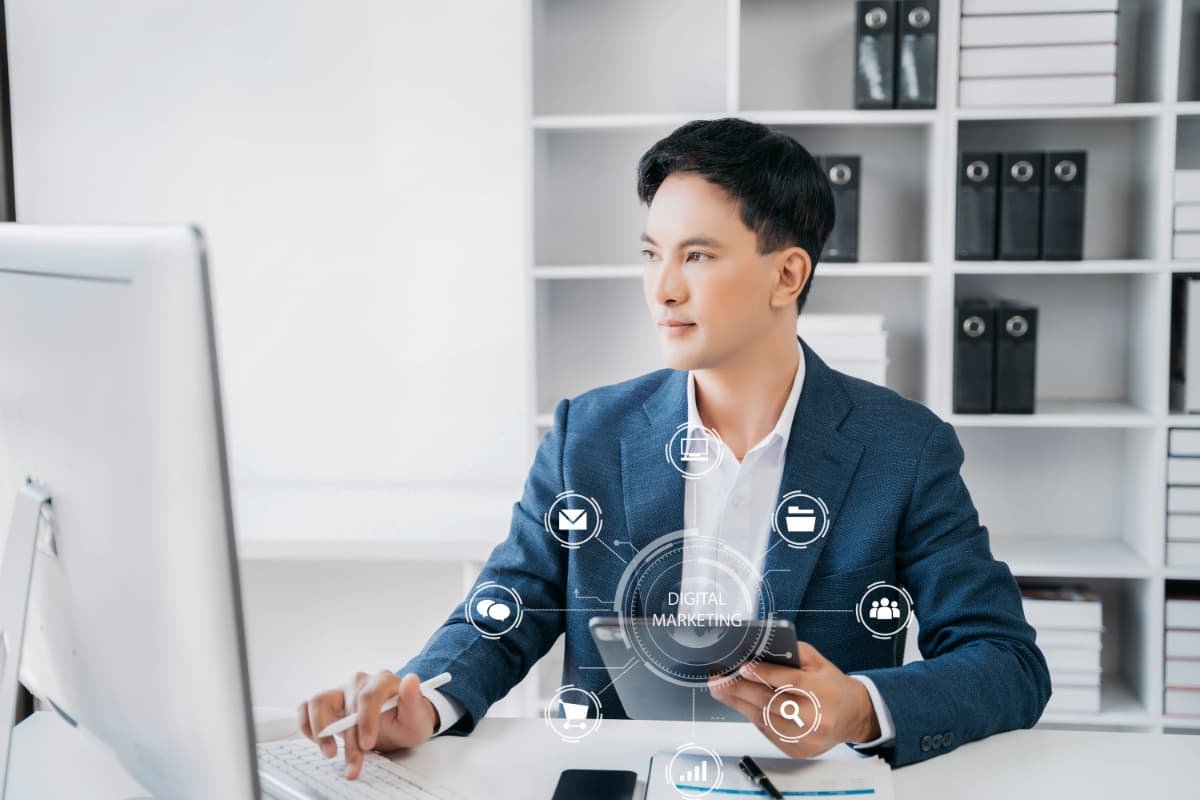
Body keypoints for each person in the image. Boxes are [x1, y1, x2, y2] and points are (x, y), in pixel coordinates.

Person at [298, 118, 1051, 780]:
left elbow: (1008, 661)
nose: (662, 289)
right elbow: (509, 610)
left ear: (787, 274)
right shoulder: (585, 435)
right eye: (653, 253)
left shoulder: (902, 448)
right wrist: (423, 702)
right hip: (622, 780)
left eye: (697, 256)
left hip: (806, 784)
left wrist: (860, 708)